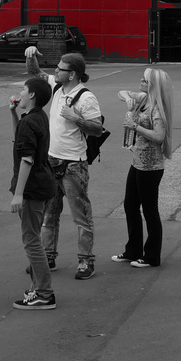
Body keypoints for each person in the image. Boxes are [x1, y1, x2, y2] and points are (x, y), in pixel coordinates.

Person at [41, 52, 105, 280]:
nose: (56, 71)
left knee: (81, 215)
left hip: (73, 165)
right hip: (52, 160)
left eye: (60, 69)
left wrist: (75, 117)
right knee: (50, 213)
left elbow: (97, 129)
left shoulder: (86, 98)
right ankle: (48, 256)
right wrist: (30, 56)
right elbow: (36, 74)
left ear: (73, 74)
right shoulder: (58, 88)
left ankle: (86, 261)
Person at [114, 66, 174, 268]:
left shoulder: (157, 108)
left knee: (149, 210)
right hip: (137, 161)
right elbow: (121, 93)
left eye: (145, 80)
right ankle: (133, 250)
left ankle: (151, 256)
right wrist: (128, 99)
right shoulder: (142, 99)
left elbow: (159, 136)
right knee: (130, 205)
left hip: (151, 165)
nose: (141, 81)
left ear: (153, 86)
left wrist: (135, 127)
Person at [10, 76, 58, 310]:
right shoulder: (36, 117)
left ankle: (44, 293)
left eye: (24, 89)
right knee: (32, 237)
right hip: (43, 184)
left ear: (32, 96)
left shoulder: (30, 121)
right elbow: (20, 142)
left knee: (31, 240)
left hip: (33, 188)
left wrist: (18, 194)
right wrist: (13, 114)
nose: (20, 91)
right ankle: (38, 287)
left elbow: (27, 158)